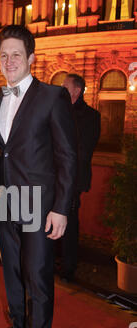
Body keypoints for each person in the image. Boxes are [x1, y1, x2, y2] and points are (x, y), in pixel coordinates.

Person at [0, 25, 77, 328]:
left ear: (31, 59)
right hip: (5, 200)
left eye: (16, 55)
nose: (9, 61)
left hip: (39, 206)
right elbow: (0, 152)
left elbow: (68, 156)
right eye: (4, 55)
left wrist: (62, 208)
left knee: (37, 279)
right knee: (11, 272)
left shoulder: (53, 96)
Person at [58, 73, 101, 282]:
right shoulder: (59, 111)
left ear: (76, 91)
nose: (61, 89)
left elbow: (83, 151)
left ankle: (69, 266)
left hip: (74, 179)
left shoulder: (92, 116)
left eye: (65, 86)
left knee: (70, 220)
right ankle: (55, 259)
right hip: (54, 176)